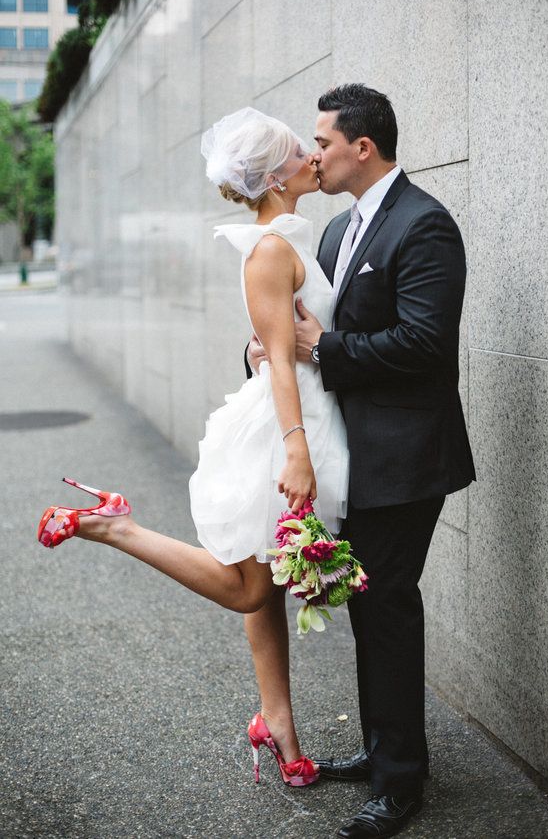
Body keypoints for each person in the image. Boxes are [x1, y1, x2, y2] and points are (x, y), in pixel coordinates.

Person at [37, 107, 349, 789]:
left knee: (264, 583)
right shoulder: (270, 249)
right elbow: (275, 355)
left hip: (296, 417)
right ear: (273, 176)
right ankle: (118, 527)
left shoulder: (290, 236)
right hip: (282, 426)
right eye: (302, 151)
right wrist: (296, 449)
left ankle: (278, 723)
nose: (313, 158)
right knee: (246, 589)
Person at [248, 84, 476, 837]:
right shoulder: (336, 230)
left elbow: (425, 344)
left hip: (411, 455)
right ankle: (386, 753)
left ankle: (400, 783)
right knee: (370, 606)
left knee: (386, 605)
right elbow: (303, 332)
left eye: (322, 140)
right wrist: (266, 352)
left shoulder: (425, 226)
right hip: (357, 455)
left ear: (362, 148)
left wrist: (327, 349)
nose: (313, 153)